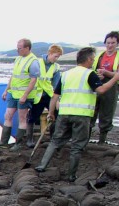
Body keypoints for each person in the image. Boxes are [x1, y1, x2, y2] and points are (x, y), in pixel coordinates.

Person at [35, 47, 119, 181]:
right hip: (82, 115)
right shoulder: (89, 74)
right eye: (93, 59)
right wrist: (115, 78)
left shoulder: (66, 74)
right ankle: (71, 175)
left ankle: (42, 165)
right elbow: (101, 90)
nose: (93, 62)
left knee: (55, 141)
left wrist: (51, 112)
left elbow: (55, 97)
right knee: (77, 146)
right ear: (89, 59)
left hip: (64, 113)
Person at [0, 38, 40, 151]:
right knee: (8, 115)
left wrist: (25, 95)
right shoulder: (18, 59)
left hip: (24, 95)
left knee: (22, 118)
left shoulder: (33, 61)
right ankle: (3, 141)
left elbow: (34, 80)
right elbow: (13, 76)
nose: (18, 50)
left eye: (20, 48)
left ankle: (18, 144)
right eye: (17, 48)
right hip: (13, 93)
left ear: (27, 48)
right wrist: (6, 90)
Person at [26, 44, 63, 147]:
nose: (56, 59)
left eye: (58, 57)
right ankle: (29, 140)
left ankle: (53, 139)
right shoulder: (37, 62)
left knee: (55, 115)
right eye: (55, 56)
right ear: (49, 53)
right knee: (32, 117)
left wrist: (57, 99)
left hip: (49, 95)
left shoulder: (56, 67)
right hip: (37, 95)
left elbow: (56, 84)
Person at [90, 31, 119, 144]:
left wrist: (106, 73)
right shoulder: (99, 56)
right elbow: (92, 70)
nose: (110, 45)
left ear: (117, 44)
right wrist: (97, 75)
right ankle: (85, 138)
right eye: (108, 43)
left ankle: (102, 141)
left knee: (107, 113)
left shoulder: (117, 56)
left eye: (113, 43)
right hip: (97, 85)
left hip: (112, 87)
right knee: (91, 112)